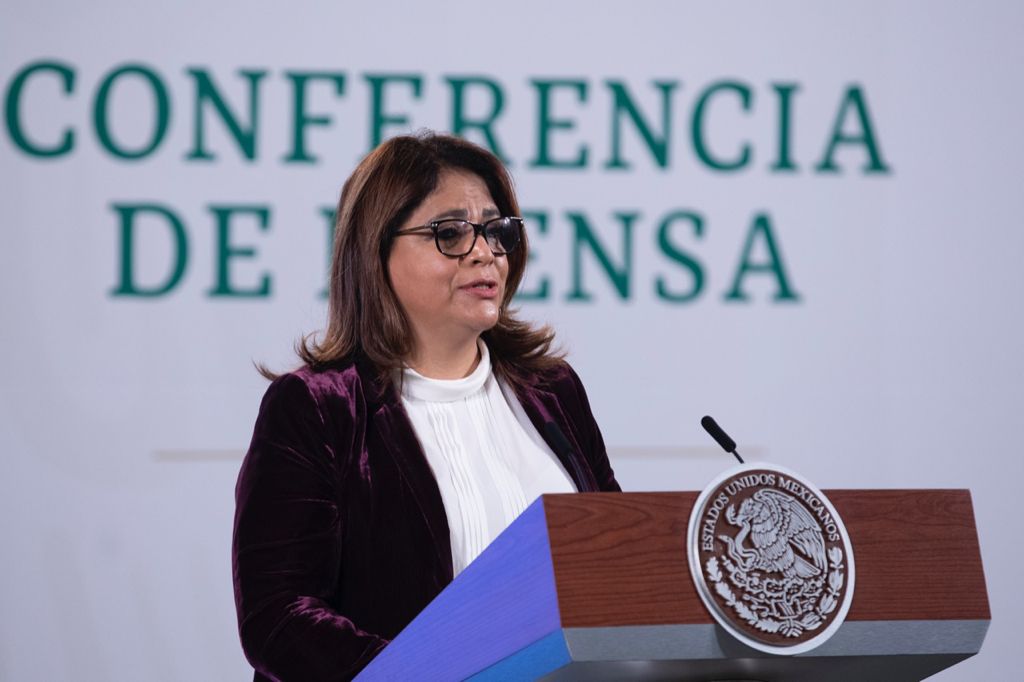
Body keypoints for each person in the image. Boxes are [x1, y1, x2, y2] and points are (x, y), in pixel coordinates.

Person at [232, 132, 620, 681]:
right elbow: (278, 617)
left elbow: (616, 567)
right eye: (450, 233)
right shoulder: (318, 407)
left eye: (496, 231)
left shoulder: (553, 391)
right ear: (376, 250)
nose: (485, 252)